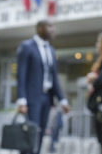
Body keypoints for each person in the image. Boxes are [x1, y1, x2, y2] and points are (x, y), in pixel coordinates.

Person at [16, 19, 71, 154]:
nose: (53, 30)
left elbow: (54, 77)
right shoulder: (27, 46)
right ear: (40, 28)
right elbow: (21, 75)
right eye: (50, 26)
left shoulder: (51, 50)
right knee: (30, 133)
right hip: (32, 98)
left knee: (41, 133)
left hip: (47, 97)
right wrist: (22, 100)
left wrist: (62, 100)